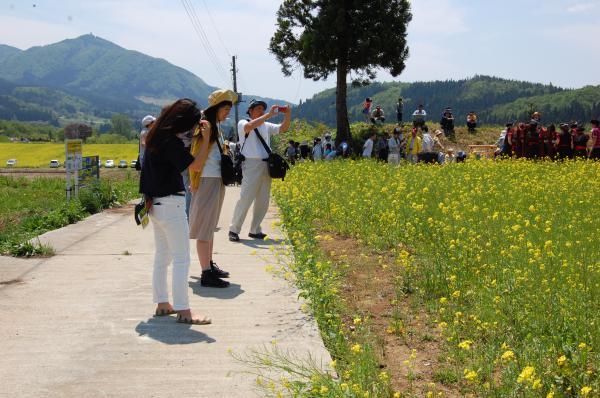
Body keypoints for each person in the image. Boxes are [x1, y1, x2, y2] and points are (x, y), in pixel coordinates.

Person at [139, 98, 211, 325]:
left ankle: (162, 303)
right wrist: (207, 138)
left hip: (155, 205)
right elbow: (196, 166)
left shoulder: (153, 138)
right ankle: (184, 310)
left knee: (163, 256)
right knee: (181, 258)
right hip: (171, 204)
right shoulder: (170, 142)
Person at [188, 89, 236, 288]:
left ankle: (208, 265)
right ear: (216, 108)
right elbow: (195, 153)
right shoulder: (205, 126)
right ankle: (206, 273)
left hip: (215, 179)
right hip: (207, 179)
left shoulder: (215, 125)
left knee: (210, 227)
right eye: (225, 109)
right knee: (205, 230)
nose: (226, 113)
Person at [228, 99, 291, 242]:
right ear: (250, 110)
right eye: (258, 109)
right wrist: (268, 115)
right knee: (246, 198)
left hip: (266, 164)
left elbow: (283, 128)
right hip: (250, 164)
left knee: (263, 200)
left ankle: (255, 230)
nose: (261, 111)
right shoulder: (243, 122)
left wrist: (287, 115)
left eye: (263, 109)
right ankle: (234, 229)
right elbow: (249, 127)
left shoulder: (266, 124)